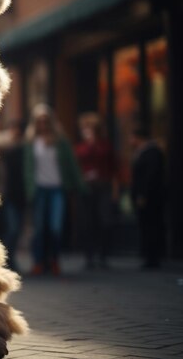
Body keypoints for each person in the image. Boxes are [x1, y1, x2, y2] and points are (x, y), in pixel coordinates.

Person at [24, 104, 84, 275]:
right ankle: (38, 262)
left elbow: (72, 165)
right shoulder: (30, 142)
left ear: (51, 121)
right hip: (39, 189)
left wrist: (79, 185)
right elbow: (27, 169)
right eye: (39, 121)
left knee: (55, 227)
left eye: (46, 120)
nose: (43, 124)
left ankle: (54, 260)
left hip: (57, 189)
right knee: (39, 228)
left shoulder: (61, 141)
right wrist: (29, 190)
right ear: (35, 123)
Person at [75, 113, 117, 269]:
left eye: (90, 127)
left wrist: (115, 188)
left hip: (103, 186)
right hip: (87, 188)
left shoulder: (105, 145)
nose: (86, 130)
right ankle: (89, 256)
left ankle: (103, 254)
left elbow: (113, 167)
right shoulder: (80, 147)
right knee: (87, 222)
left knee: (105, 220)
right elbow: (76, 165)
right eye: (85, 127)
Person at [130, 127, 166, 269]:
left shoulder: (152, 153)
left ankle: (153, 258)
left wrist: (143, 194)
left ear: (139, 137)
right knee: (146, 226)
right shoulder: (143, 152)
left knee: (151, 226)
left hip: (151, 197)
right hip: (145, 195)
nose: (130, 140)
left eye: (132, 137)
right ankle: (149, 256)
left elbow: (151, 176)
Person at [0, 120, 26, 272]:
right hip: (8, 195)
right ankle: (6, 259)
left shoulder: (25, 150)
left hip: (21, 195)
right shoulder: (5, 149)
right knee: (13, 228)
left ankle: (11, 258)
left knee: (18, 229)